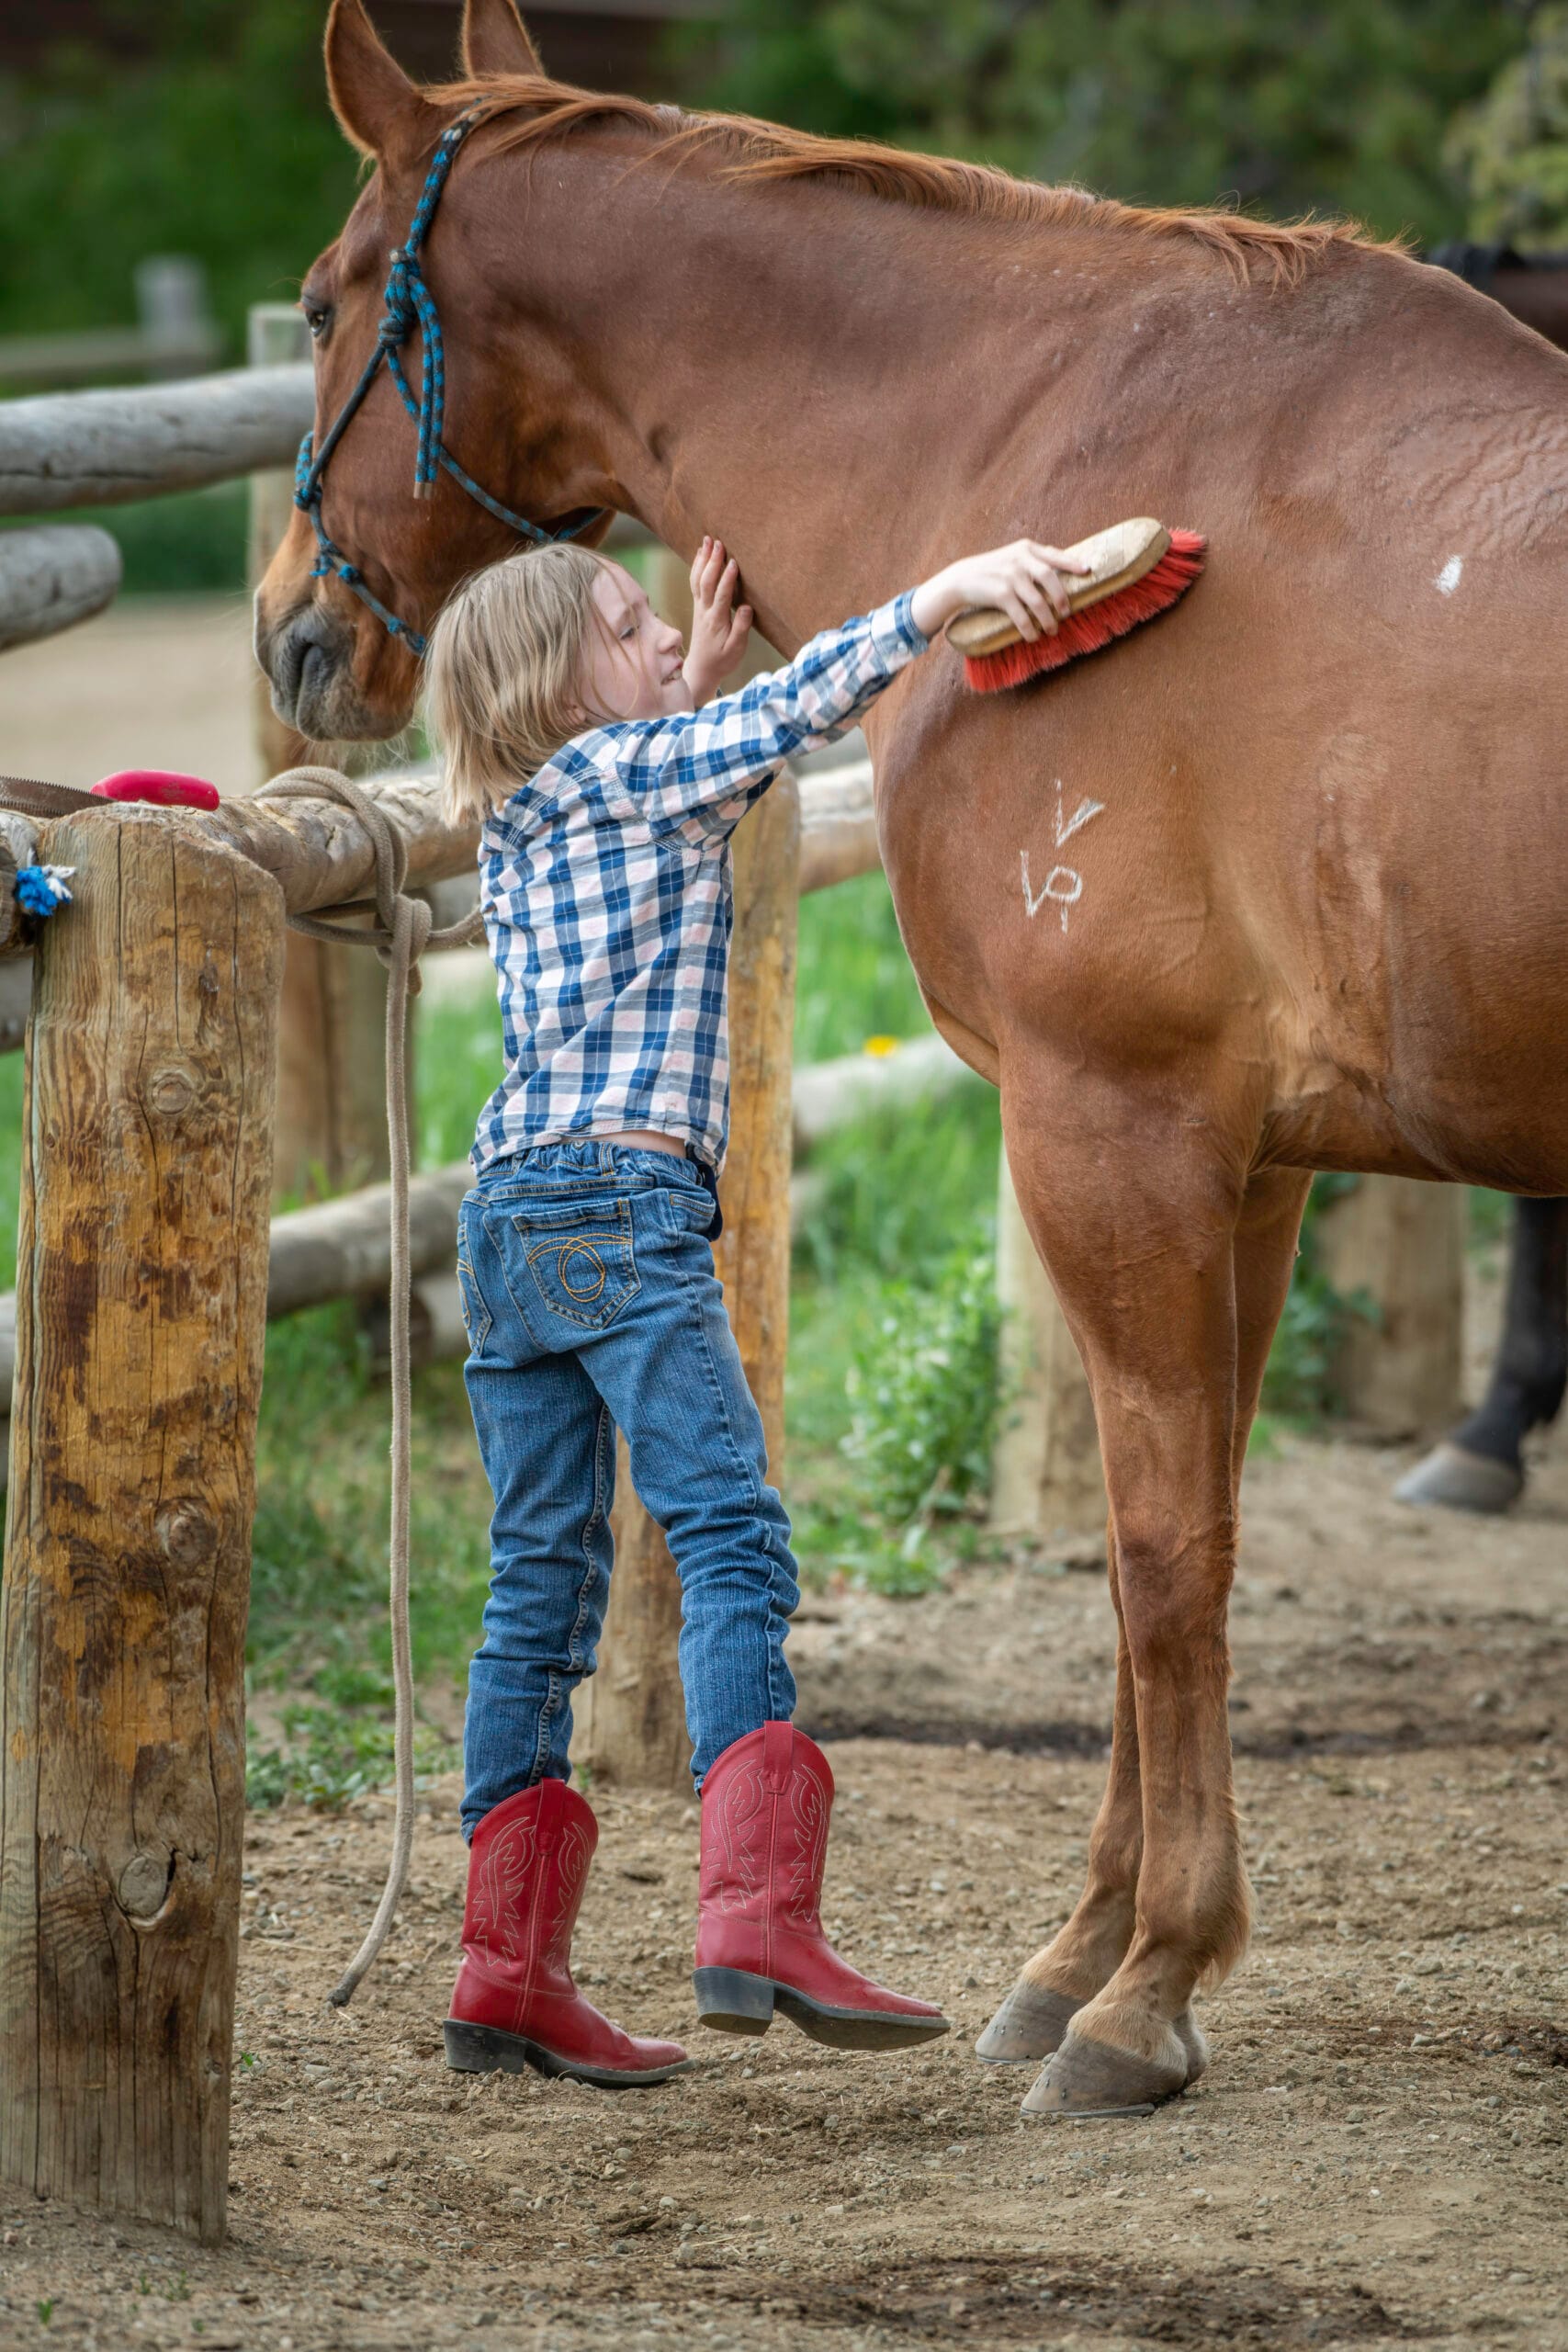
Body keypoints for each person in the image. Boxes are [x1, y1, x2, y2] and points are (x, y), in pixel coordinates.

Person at [424, 531, 1085, 2086]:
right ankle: (755, 1914)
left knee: (539, 1585)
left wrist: (678, 681)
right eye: (628, 623)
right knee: (728, 1533)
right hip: (623, 1206)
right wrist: (933, 598)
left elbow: (678, 762)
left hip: (511, 1221)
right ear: (553, 680)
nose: (665, 633)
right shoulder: (636, 770)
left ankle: (504, 1968)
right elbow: (778, 726)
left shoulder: (534, 807)